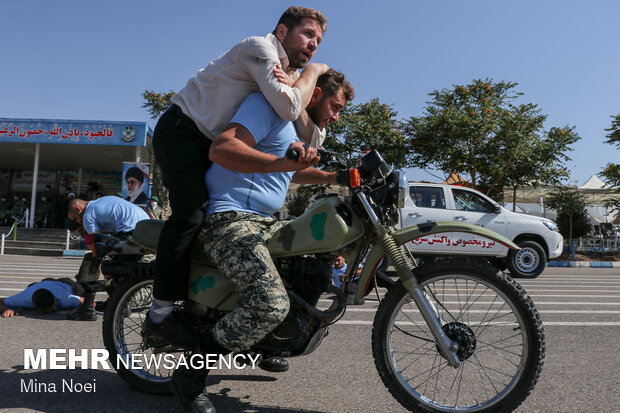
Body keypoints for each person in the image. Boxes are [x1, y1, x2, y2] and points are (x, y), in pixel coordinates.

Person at [159, 69, 354, 413]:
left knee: (310, 261)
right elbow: (224, 147)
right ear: (316, 95)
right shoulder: (267, 107)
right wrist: (283, 161)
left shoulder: (298, 130)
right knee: (270, 303)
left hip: (265, 222)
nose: (336, 116)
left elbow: (288, 171)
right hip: (228, 218)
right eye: (335, 107)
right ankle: (190, 374)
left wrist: (337, 177)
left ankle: (270, 344)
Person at [147, 6, 330, 350]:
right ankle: (161, 311)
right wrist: (315, 71)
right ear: (281, 32)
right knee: (191, 212)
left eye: (318, 42)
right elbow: (290, 108)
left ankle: (211, 307)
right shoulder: (259, 49)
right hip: (181, 132)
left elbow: (309, 133)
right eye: (307, 34)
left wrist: (303, 85)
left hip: (206, 139)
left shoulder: (288, 73)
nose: (313, 45)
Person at [66, 196, 150, 320]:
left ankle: (87, 309)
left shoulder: (89, 214)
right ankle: (121, 305)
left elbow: (95, 246)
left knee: (92, 262)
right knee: (116, 268)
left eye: (75, 218)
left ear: (78, 209)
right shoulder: (101, 202)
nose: (79, 222)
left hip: (131, 233)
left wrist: (87, 275)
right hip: (146, 230)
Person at [0, 278, 85, 319]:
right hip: (41, 283)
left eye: (54, 305)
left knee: (83, 290)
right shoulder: (23, 299)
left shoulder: (64, 299)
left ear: (55, 299)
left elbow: (89, 302)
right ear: (35, 306)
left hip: (65, 284)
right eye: (51, 310)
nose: (56, 309)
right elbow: (1, 301)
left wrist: (77, 309)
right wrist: (7, 308)